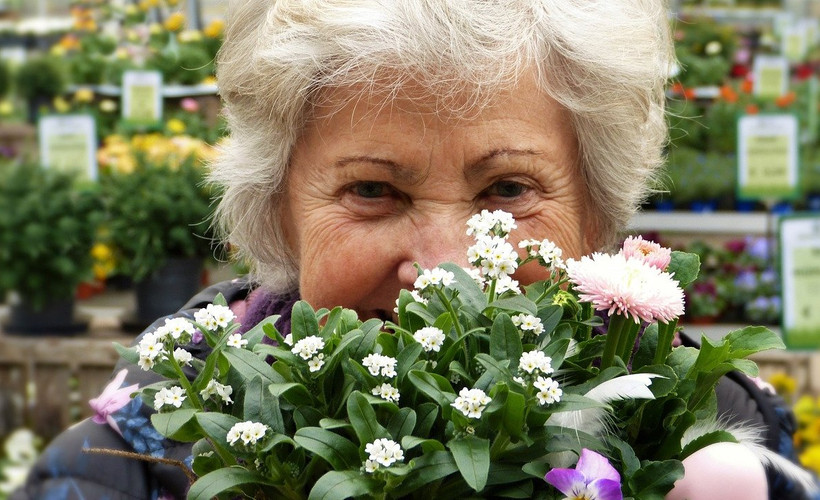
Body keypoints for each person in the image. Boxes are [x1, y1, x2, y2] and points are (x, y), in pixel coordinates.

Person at [12, 1, 817, 498]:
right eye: (373, 191)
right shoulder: (114, 470)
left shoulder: (714, 452)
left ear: (598, 217)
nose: (443, 273)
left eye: (507, 191)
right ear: (276, 213)